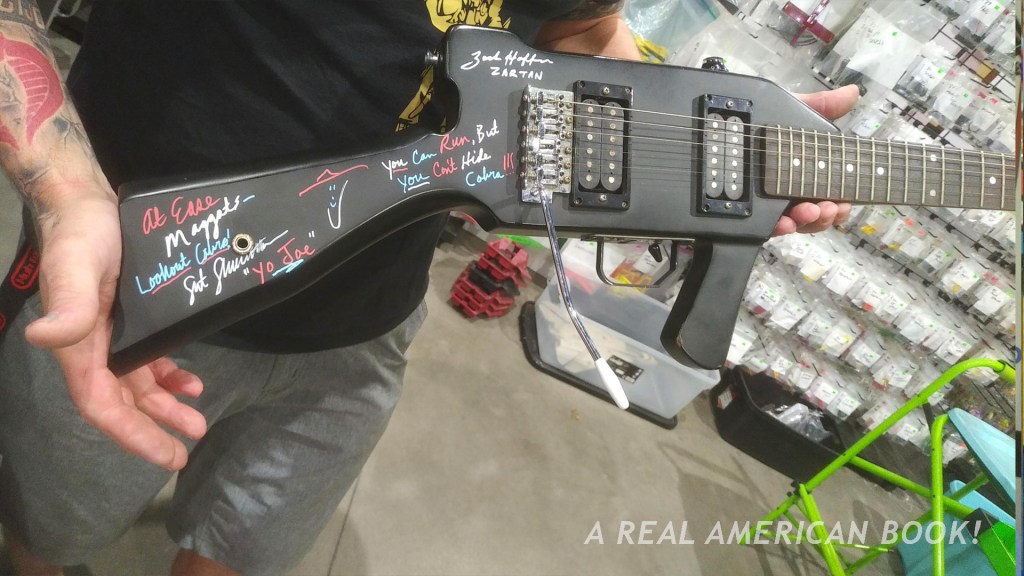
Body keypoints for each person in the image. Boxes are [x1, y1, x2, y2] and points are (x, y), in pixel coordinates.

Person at [0, 1, 856, 574]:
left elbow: (586, 28)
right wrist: (65, 190)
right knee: (47, 532)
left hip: (365, 326)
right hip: (139, 287)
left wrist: (688, 142)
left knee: (243, 552)